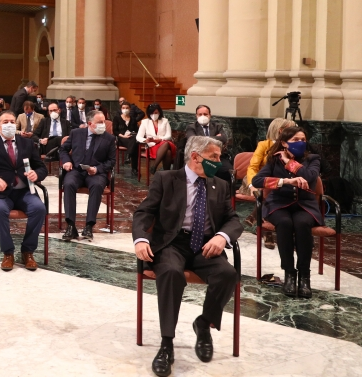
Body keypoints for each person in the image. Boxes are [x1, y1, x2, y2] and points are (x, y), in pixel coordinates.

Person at [133, 135, 241, 377]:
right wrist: (140, 239)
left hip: (206, 246)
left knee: (227, 274)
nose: (219, 162)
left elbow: (232, 219)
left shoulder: (220, 185)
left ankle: (204, 324)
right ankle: (166, 344)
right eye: (214, 157)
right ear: (195, 157)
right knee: (171, 272)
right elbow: (144, 212)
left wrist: (222, 236)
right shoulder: (166, 179)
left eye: (219, 157)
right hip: (172, 243)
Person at [252, 127, 322, 299]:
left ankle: (304, 275)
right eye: (296, 140)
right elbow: (257, 180)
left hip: (305, 205)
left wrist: (289, 163)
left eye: (303, 139)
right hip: (279, 205)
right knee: (284, 223)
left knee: (302, 223)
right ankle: (289, 273)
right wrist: (285, 181)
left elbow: (310, 177)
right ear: (284, 143)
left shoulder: (313, 159)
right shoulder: (274, 161)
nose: (301, 143)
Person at [0, 111, 48, 271]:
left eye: (12, 121)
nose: (9, 124)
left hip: (25, 191)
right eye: (5, 122)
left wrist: (37, 174)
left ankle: (27, 251)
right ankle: (8, 252)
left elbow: (42, 168)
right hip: (1, 193)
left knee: (39, 208)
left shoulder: (27, 143)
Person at [59, 111, 117, 240]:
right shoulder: (76, 133)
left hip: (96, 173)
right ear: (90, 124)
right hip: (76, 171)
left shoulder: (109, 138)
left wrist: (97, 169)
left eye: (104, 121)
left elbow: (112, 161)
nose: (104, 124)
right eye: (100, 122)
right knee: (68, 184)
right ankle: (70, 225)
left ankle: (89, 226)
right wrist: (67, 161)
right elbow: (63, 149)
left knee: (97, 186)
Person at [242, 118, 291, 249]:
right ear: (280, 131)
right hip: (256, 180)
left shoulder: (290, 146)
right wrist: (252, 185)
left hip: (275, 184)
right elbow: (252, 167)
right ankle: (267, 232)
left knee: (273, 188)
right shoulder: (264, 145)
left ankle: (255, 216)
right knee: (269, 189)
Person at [184, 105, 232, 185]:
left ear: (210, 115)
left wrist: (201, 138)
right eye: (200, 114)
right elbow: (192, 140)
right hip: (200, 158)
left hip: (217, 157)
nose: (203, 116)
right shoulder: (192, 127)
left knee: (229, 171)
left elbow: (223, 138)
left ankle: (225, 193)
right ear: (196, 115)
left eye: (205, 114)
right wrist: (216, 137)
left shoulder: (217, 126)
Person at [137, 103, 176, 174]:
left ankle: (154, 166)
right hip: (152, 145)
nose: (154, 114)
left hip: (164, 143)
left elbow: (168, 136)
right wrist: (145, 140)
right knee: (168, 152)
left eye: (156, 113)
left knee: (166, 143)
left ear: (159, 112)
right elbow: (138, 137)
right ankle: (166, 174)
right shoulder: (145, 122)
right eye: (152, 113)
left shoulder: (165, 121)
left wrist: (160, 139)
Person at [113, 101, 141, 174]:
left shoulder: (133, 119)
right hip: (121, 138)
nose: (125, 109)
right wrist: (123, 136)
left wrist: (132, 134)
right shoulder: (117, 118)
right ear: (121, 109)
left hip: (131, 137)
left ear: (130, 109)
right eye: (123, 108)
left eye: (127, 108)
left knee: (134, 141)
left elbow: (137, 130)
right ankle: (134, 168)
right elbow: (115, 131)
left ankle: (128, 155)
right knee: (135, 145)